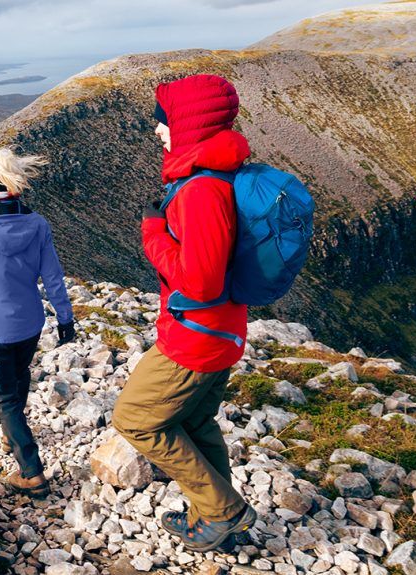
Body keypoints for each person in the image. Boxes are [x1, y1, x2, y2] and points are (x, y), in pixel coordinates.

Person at [111, 74, 256, 552]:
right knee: (194, 423)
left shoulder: (201, 191)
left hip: (194, 337)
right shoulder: (217, 177)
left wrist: (153, 232)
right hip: (222, 331)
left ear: (187, 123)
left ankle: (223, 510)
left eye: (163, 121)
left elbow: (199, 282)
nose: (157, 131)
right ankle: (211, 516)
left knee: (134, 417)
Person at [0, 147, 75, 498]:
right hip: (29, 322)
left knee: (3, 396)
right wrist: (65, 317)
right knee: (20, 376)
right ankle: (13, 433)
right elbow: (52, 276)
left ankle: (31, 471)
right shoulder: (37, 224)